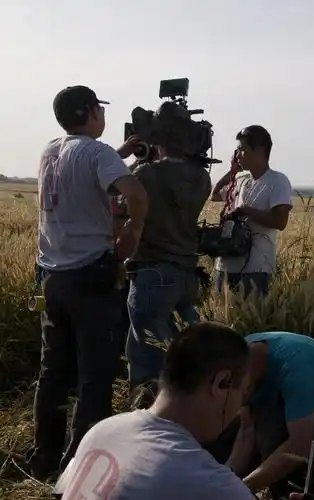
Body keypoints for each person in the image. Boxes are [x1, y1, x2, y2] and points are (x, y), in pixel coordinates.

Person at [28, 85, 149, 480]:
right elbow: (135, 193)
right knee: (94, 376)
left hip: (52, 277)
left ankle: (43, 457)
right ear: (89, 112)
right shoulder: (96, 153)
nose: (103, 114)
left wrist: (119, 153)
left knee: (53, 371)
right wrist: (133, 228)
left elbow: (82, 168)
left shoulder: (50, 150)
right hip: (89, 276)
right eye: (99, 108)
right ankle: (79, 468)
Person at [52, 321, 256, 499]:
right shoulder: (206, 480)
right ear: (221, 383)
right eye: (242, 393)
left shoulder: (102, 431)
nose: (238, 408)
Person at [124, 101, 212, 403]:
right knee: (179, 351)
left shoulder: (147, 174)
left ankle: (149, 417)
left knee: (147, 359)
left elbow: (117, 194)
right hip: (186, 274)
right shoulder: (202, 178)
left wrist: (134, 157)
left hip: (152, 272)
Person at [205, 331, 314, 499]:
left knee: (269, 432)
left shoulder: (294, 368)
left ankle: (283, 491)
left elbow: (300, 444)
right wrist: (223, 481)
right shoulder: (238, 358)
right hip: (284, 411)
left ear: (248, 387)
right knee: (222, 434)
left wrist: (241, 489)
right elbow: (246, 429)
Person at [210, 125, 293, 298]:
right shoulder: (240, 180)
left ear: (259, 150)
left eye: (242, 149)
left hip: (256, 267)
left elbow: (280, 221)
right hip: (225, 265)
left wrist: (246, 211)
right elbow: (215, 195)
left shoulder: (277, 181)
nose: (237, 154)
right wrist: (231, 172)